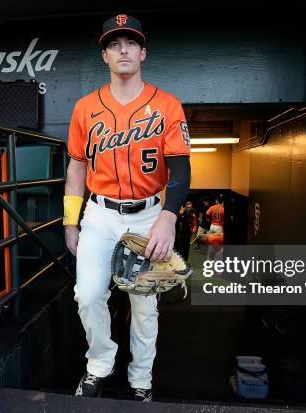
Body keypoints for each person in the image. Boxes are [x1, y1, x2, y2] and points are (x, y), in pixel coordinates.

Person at [63, 13, 191, 402]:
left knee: (144, 302)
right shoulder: (85, 108)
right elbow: (76, 166)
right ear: (105, 55)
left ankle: (141, 381)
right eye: (114, 44)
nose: (123, 49)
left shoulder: (167, 105)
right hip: (99, 214)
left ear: (143, 52)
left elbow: (181, 169)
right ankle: (99, 365)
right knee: (87, 294)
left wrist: (169, 218)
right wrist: (71, 222)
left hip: (150, 213)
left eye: (130, 43)